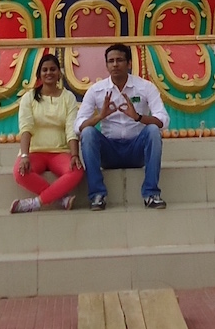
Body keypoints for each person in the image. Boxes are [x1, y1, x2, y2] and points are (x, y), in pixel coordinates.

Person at [75, 42, 168, 209]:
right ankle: (97, 195)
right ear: (106, 65)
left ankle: (151, 194)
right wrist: (100, 116)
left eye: (119, 60)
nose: (115, 64)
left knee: (153, 131)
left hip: (136, 149)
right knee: (88, 133)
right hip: (109, 151)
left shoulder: (145, 87)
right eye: (111, 61)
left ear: (129, 63)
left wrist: (139, 117)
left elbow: (163, 120)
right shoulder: (96, 90)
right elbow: (79, 125)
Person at [10, 52, 85, 213]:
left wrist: (74, 155)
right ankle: (59, 199)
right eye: (44, 70)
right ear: (39, 75)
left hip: (60, 152)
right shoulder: (29, 98)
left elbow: (71, 128)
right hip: (35, 151)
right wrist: (24, 156)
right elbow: (26, 128)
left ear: (59, 73)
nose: (49, 73)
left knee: (77, 171)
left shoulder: (68, 97)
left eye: (53, 69)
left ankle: (36, 203)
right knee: (20, 172)